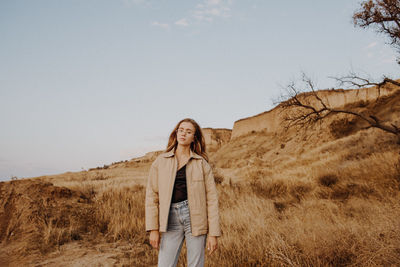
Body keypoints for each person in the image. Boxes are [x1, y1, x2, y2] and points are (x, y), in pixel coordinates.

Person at [145, 118, 222, 267]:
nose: (183, 134)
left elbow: (212, 200)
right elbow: (151, 196)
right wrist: (153, 229)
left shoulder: (201, 164)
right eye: (181, 130)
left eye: (188, 131)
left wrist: (213, 233)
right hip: (170, 218)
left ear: (194, 138)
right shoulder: (160, 161)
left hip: (196, 218)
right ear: (176, 133)